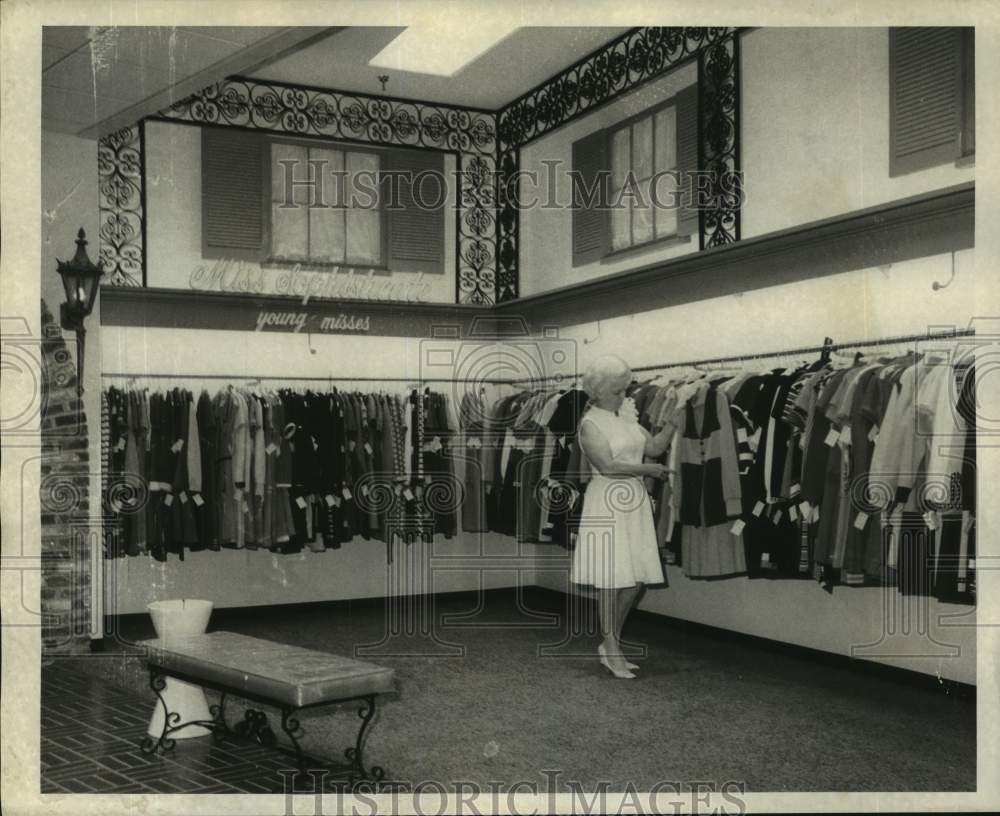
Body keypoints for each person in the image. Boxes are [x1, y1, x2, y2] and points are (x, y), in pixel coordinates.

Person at [571, 355, 675, 679]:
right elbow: (607, 466)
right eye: (616, 390)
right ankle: (610, 645)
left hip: (634, 502)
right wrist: (648, 470)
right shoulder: (590, 424)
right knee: (610, 579)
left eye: (623, 388)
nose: (623, 395)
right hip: (607, 501)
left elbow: (655, 446)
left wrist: (675, 419)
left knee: (636, 579)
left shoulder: (627, 416)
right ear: (598, 391)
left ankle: (610, 640)